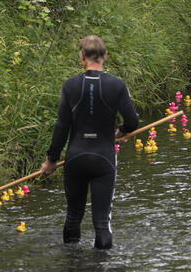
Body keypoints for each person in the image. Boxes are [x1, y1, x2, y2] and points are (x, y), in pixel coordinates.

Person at [41, 35, 139, 249]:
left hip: (75, 158)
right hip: (103, 158)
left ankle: (72, 262)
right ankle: (102, 264)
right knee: (102, 223)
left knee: (73, 218)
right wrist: (119, 132)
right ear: (105, 55)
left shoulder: (70, 86)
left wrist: (51, 160)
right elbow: (133, 121)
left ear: (81, 56)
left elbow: (62, 127)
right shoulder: (117, 85)